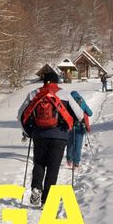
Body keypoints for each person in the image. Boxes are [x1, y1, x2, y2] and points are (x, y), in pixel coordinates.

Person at [17, 72, 84, 207]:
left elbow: (20, 115)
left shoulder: (33, 93)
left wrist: (28, 132)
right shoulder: (65, 94)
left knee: (39, 163)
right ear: (56, 81)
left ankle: (36, 188)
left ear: (44, 81)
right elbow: (80, 115)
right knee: (53, 168)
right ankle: (47, 199)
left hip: (39, 135)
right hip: (59, 136)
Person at [66, 91, 93, 169]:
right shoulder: (81, 101)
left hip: (69, 125)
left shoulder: (68, 102)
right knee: (78, 144)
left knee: (70, 143)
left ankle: (69, 160)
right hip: (80, 126)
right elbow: (90, 113)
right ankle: (76, 162)